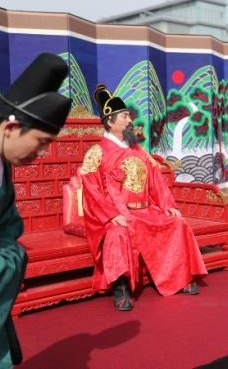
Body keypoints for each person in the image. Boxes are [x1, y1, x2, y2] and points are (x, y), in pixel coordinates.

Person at [80, 84, 207, 311]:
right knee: (117, 233)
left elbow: (157, 181)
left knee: (175, 222)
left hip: (145, 210)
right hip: (117, 214)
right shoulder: (96, 153)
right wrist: (110, 216)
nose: (131, 120)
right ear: (110, 122)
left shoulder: (139, 150)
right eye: (125, 116)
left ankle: (180, 278)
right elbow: (91, 190)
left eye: (129, 115)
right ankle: (120, 288)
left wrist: (168, 205)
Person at [0, 53, 72, 368]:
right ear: (12, 127)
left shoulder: (0, 163)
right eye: (41, 141)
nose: (43, 153)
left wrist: (6, 256)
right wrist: (9, 262)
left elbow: (10, 226)